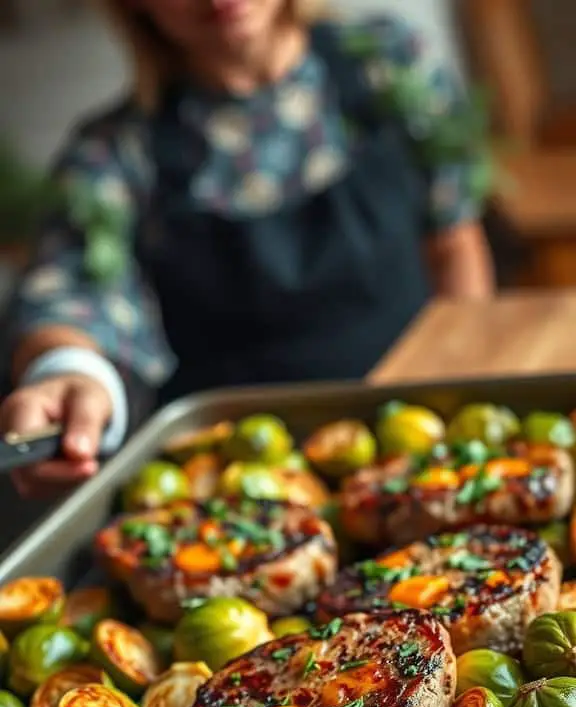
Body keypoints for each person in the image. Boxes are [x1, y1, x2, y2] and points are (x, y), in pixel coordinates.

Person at [0, 0, 494, 503]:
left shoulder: (390, 63)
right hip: (240, 485)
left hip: (423, 428)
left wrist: (458, 395)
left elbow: (454, 242)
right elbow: (72, 290)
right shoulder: (113, 152)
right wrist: (68, 373)